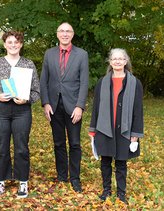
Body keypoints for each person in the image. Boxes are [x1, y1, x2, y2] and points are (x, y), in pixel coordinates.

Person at [0, 31, 40, 198]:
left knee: (21, 147)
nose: (13, 45)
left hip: (21, 111)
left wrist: (26, 99)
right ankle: (0, 181)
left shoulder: (28, 64)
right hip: (0, 110)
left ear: (21, 44)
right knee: (1, 146)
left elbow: (36, 91)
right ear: (4, 45)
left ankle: (23, 181)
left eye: (16, 42)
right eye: (9, 42)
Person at [88, 48, 143, 204]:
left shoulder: (134, 83)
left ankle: (121, 193)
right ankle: (106, 190)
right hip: (104, 127)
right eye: (114, 59)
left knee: (121, 162)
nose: (117, 61)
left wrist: (136, 133)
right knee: (105, 161)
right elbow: (96, 107)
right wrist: (93, 129)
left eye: (121, 58)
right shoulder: (102, 82)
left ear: (126, 61)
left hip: (124, 129)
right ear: (110, 62)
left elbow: (138, 110)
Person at [40, 22, 89, 193]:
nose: (65, 34)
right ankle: (62, 175)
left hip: (73, 106)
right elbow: (43, 80)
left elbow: (84, 83)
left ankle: (75, 178)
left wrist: (80, 106)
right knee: (58, 142)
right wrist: (45, 103)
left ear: (73, 34)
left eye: (68, 31)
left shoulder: (81, 55)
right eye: (62, 31)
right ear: (57, 34)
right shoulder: (49, 54)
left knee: (74, 143)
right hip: (54, 105)